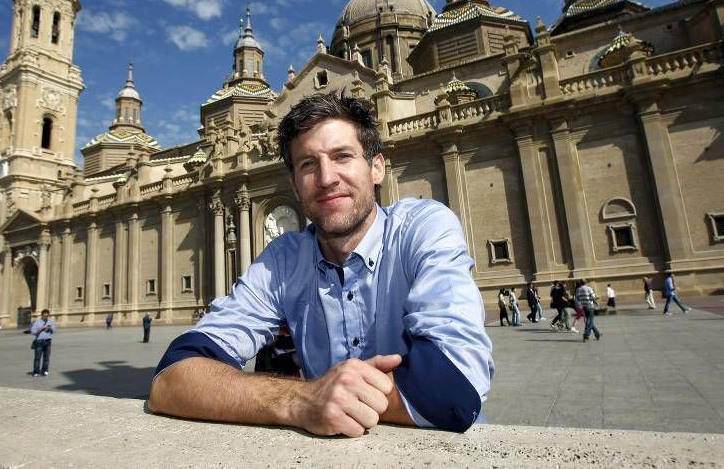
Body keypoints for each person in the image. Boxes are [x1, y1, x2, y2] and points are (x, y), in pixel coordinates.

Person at [149, 92, 494, 437]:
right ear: (294, 186)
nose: (326, 178)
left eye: (342, 156)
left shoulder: (423, 228)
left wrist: (329, 396)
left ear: (377, 167)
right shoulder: (283, 262)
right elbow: (171, 379)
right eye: (308, 164)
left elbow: (456, 389)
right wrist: (302, 399)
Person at [30, 309, 56, 377]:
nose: (45, 317)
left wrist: (50, 328)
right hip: (39, 342)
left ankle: (45, 370)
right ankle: (36, 371)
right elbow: (33, 332)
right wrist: (41, 329)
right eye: (44, 316)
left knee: (46, 358)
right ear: (42, 315)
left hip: (48, 341)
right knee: (37, 358)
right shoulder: (37, 322)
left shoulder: (50, 322)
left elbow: (54, 331)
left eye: (47, 316)